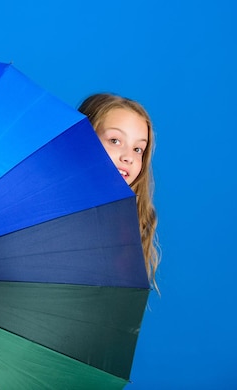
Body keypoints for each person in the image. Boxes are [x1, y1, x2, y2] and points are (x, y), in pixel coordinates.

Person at [78, 93, 160, 290]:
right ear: (84, 139)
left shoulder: (123, 230)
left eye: (138, 149)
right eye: (115, 140)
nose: (128, 157)